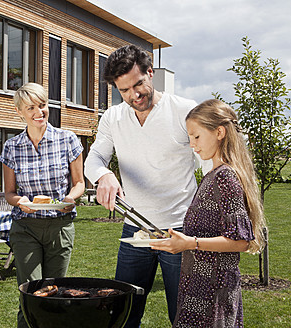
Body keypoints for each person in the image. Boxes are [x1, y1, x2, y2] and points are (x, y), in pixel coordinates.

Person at [84, 44, 207, 327]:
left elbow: (212, 165)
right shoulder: (113, 117)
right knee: (123, 314)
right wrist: (104, 175)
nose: (134, 95)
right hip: (135, 231)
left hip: (180, 230)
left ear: (150, 73)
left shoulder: (184, 111)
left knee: (185, 316)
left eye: (138, 84)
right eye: (124, 90)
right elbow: (94, 159)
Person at [150, 99, 266, 327]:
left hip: (213, 292)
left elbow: (241, 241)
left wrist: (190, 243)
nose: (192, 144)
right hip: (200, 289)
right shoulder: (213, 175)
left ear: (219, 132)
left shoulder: (225, 178)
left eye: (197, 136)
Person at [0, 82, 85, 328]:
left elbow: (79, 183)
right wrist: (21, 202)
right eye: (31, 108)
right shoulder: (11, 147)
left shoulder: (67, 139)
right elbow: (10, 193)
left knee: (55, 291)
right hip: (26, 227)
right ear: (19, 112)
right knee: (31, 291)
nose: (39, 112)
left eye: (43, 105)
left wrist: (71, 198)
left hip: (60, 226)